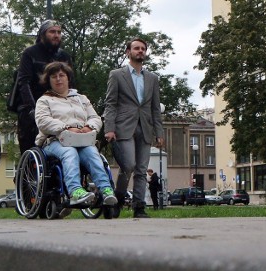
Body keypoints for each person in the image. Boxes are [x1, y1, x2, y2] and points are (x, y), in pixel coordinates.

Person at [34, 62, 117, 210]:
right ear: (49, 80)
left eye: (62, 75)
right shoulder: (44, 100)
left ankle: (106, 189)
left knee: (93, 153)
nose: (58, 79)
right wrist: (66, 127)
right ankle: (75, 191)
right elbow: (43, 121)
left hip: (82, 139)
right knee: (69, 152)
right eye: (54, 76)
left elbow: (95, 118)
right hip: (55, 140)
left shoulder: (81, 99)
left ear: (68, 78)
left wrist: (89, 127)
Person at [104, 37, 165, 219]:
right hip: (124, 127)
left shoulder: (152, 78)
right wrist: (109, 128)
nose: (140, 51)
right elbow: (110, 104)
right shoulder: (117, 75)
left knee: (141, 169)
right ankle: (119, 198)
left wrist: (159, 132)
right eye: (136, 48)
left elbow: (155, 107)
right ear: (128, 52)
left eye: (143, 49)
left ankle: (139, 206)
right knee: (128, 165)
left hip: (145, 127)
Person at [15, 20, 72, 154]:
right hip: (33, 106)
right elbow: (24, 82)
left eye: (59, 32)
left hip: (59, 108)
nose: (56, 35)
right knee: (31, 152)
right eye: (52, 32)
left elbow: (71, 83)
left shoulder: (64, 56)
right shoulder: (30, 53)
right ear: (42, 34)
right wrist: (34, 109)